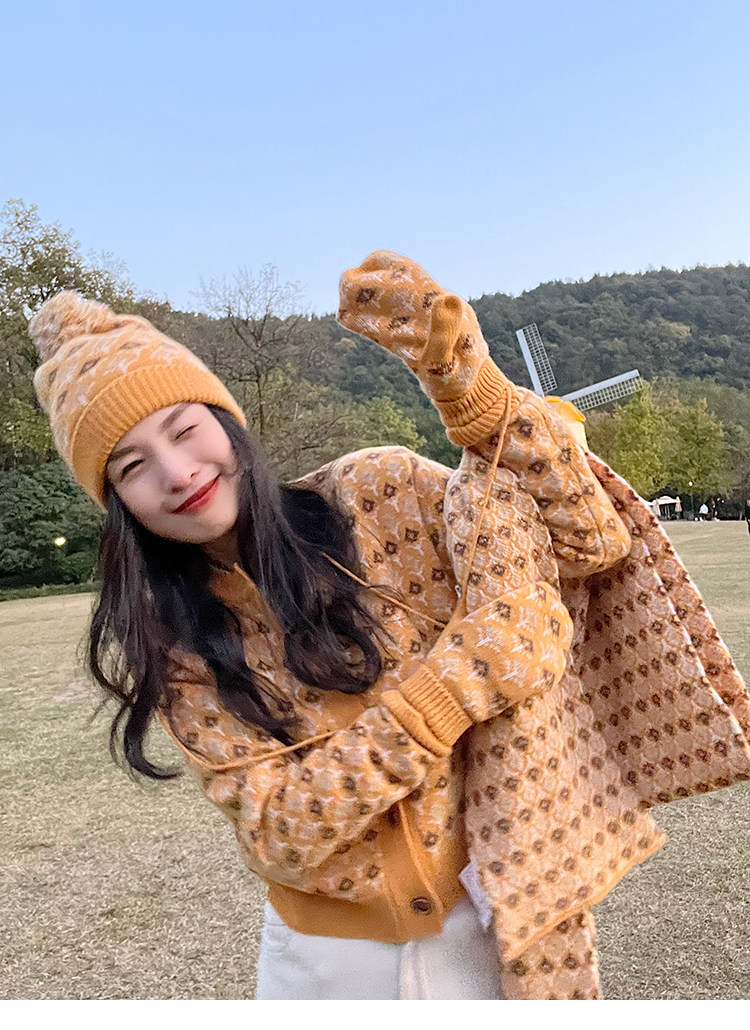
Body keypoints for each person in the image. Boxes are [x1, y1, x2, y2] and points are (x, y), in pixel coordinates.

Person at [28, 252, 750, 1001]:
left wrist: (476, 397)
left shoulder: (378, 492)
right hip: (326, 968)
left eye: (184, 430)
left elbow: (588, 539)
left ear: (227, 423)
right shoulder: (176, 645)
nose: (177, 472)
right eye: (132, 466)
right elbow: (278, 833)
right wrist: (452, 686)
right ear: (115, 502)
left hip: (509, 925)